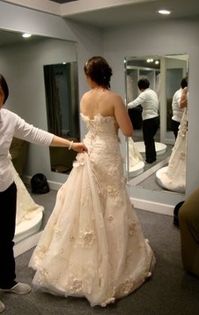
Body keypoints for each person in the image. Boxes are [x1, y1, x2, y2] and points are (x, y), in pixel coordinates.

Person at [29, 56, 155, 307]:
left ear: (91, 76)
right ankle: (112, 258)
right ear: (106, 74)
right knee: (113, 201)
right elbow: (129, 131)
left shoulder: (85, 98)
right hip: (107, 153)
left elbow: (89, 127)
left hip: (89, 150)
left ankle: (77, 256)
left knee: (84, 202)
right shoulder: (115, 99)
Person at [0, 74, 87, 313]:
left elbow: (36, 134)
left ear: (4, 95)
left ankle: (6, 281)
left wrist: (71, 145)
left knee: (6, 238)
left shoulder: (8, 118)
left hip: (6, 185)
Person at [127, 78, 159, 163]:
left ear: (140, 87)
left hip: (149, 120)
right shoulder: (153, 92)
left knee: (148, 140)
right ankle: (153, 157)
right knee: (151, 139)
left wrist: (124, 105)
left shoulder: (144, 94)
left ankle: (150, 159)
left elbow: (134, 103)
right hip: (156, 118)